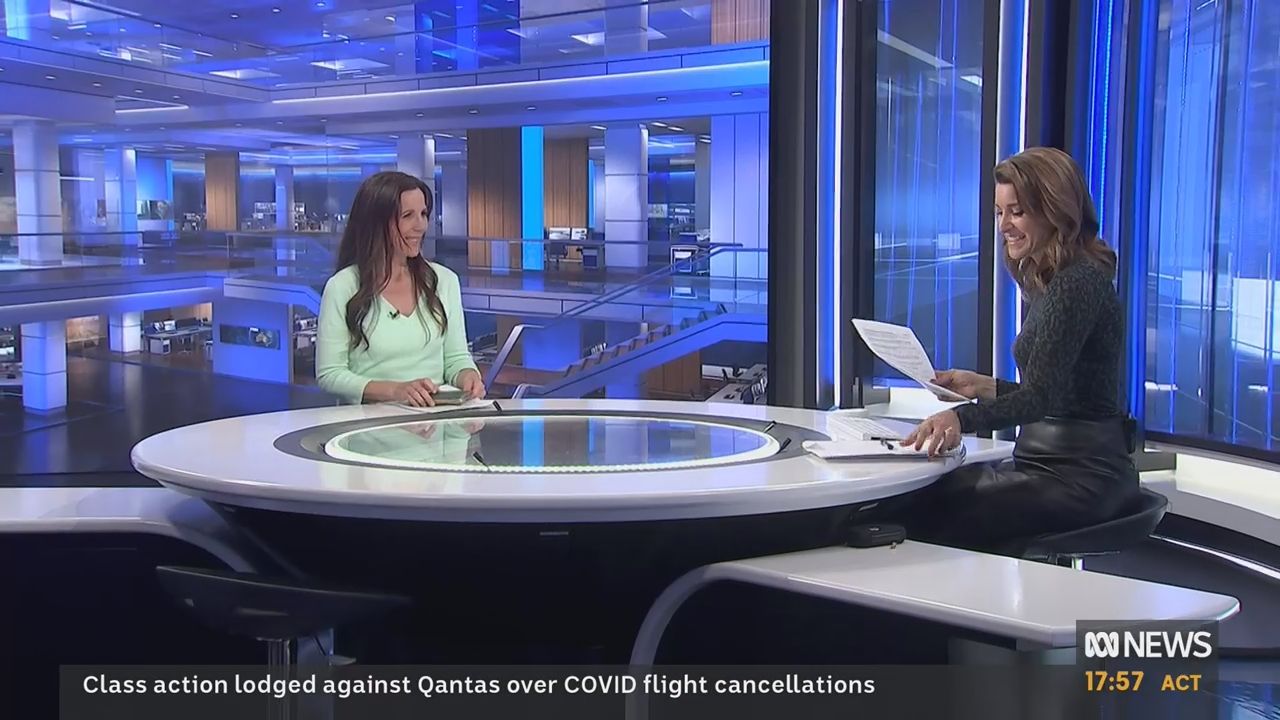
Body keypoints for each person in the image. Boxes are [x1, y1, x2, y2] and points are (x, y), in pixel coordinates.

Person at [897, 146, 1139, 554]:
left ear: (1055, 211)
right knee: (933, 490)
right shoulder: (1056, 280)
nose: (1004, 225)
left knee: (931, 507)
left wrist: (959, 417)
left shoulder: (1077, 283)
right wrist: (983, 386)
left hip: (1081, 474)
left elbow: (1040, 399)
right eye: (999, 212)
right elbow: (1060, 396)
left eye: (1017, 212)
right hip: (1050, 461)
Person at [316, 171, 485, 406]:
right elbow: (330, 374)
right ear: (376, 224)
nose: (421, 226)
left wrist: (468, 375)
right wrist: (395, 390)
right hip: (371, 423)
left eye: (423, 214)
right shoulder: (343, 287)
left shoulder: (444, 281)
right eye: (408, 216)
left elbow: (456, 358)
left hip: (435, 421)